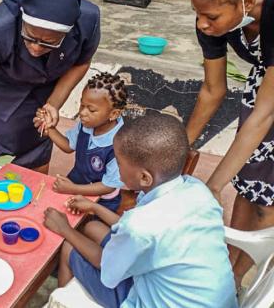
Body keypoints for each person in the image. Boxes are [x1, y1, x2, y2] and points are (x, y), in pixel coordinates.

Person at [43, 114, 237, 308]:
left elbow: (106, 268)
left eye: (119, 163)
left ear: (145, 178)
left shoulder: (139, 226)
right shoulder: (196, 190)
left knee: (69, 247)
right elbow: (135, 231)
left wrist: (65, 229)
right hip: (202, 295)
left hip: (152, 301)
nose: (117, 171)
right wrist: (94, 206)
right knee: (92, 226)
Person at [186, 0, 274, 289]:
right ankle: (227, 264)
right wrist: (179, 148)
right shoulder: (211, 17)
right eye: (197, 13)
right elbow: (213, 90)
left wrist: (211, 185)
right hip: (266, 82)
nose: (202, 24)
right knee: (248, 182)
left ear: (247, 2)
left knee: (268, 200)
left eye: (211, 17)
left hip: (270, 92)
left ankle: (240, 278)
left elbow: (266, 113)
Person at [0, 0, 101, 174]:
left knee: (42, 131)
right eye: (30, 36)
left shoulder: (87, 21)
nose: (35, 48)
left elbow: (81, 62)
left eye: (48, 43)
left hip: (50, 81)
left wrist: (54, 103)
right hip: (8, 87)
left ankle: (36, 190)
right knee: (9, 142)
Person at [39, 73, 126, 212]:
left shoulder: (120, 144)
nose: (82, 113)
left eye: (91, 109)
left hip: (101, 200)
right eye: (81, 105)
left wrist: (72, 189)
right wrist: (49, 129)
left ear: (114, 114)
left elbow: (108, 186)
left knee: (85, 226)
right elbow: (69, 146)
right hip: (75, 184)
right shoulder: (87, 124)